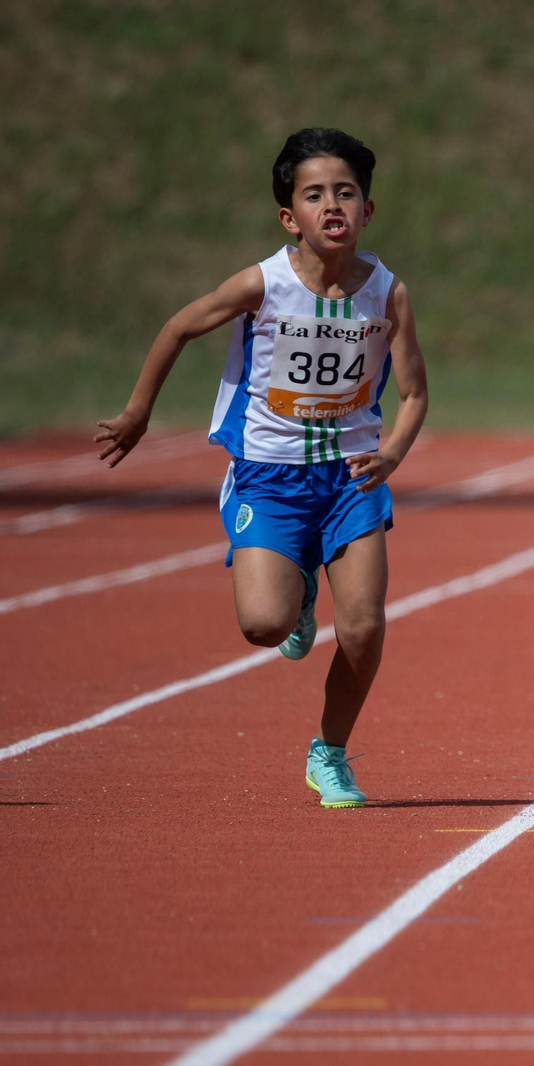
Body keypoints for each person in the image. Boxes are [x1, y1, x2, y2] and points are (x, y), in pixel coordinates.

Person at [95, 127, 429, 809]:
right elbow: (180, 326)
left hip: (351, 476)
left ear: (368, 210)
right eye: (315, 195)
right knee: (263, 627)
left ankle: (329, 753)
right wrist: (138, 411)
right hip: (269, 475)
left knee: (363, 627)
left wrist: (392, 450)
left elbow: (416, 392)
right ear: (290, 217)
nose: (332, 205)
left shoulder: (387, 294)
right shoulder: (263, 283)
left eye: (346, 192)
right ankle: (298, 589)